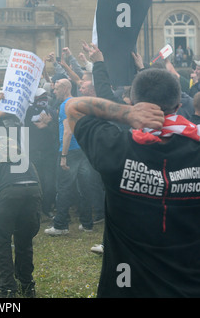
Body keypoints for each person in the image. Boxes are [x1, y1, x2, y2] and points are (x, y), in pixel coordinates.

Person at [65, 68, 200, 297]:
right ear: (178, 106)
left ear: (133, 102)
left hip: (126, 285)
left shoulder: (114, 148)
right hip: (189, 285)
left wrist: (126, 113)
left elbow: (74, 107)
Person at [0, 127, 42, 298]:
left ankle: (8, 289)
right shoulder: (11, 143)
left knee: (2, 242)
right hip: (34, 189)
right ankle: (27, 286)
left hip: (10, 193)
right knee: (24, 241)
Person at [45, 78, 96, 235]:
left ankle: (60, 225)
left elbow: (68, 131)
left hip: (70, 149)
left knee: (64, 187)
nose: (54, 91)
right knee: (85, 187)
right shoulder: (80, 102)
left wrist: (63, 155)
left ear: (66, 88)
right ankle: (87, 224)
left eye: (57, 88)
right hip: (83, 149)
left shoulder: (66, 105)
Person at [24, 88, 57, 218]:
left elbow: (57, 131)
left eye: (45, 96)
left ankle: (47, 208)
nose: (43, 99)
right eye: (40, 97)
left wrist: (48, 125)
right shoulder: (28, 111)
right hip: (33, 152)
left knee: (49, 183)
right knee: (36, 182)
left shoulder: (51, 112)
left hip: (49, 153)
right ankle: (35, 210)